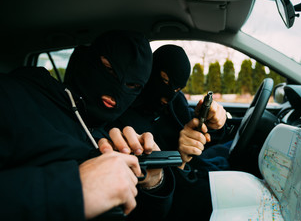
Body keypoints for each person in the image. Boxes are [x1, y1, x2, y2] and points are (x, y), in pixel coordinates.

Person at [0, 30, 174, 220]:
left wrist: (153, 183)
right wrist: (72, 190)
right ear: (86, 60)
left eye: (133, 86)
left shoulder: (112, 134)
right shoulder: (12, 98)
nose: (118, 89)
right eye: (109, 69)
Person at [110, 44, 228, 220]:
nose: (168, 95)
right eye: (164, 80)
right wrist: (181, 158)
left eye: (177, 89)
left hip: (198, 167)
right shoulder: (125, 119)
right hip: (179, 193)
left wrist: (217, 119)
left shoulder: (175, 101)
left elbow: (192, 125)